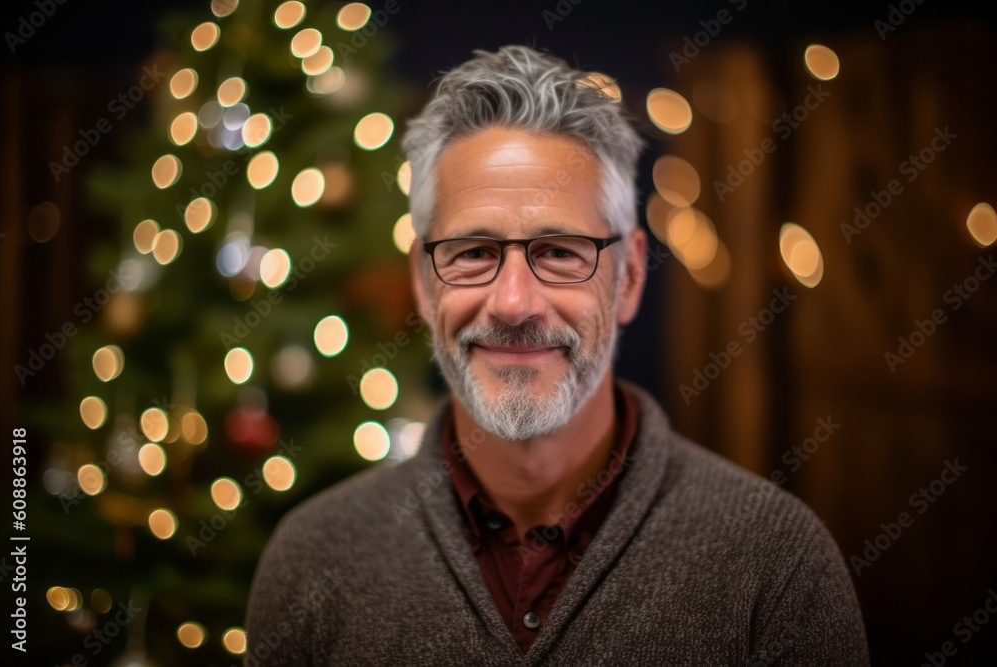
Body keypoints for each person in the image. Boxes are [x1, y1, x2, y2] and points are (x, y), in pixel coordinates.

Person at [245, 45, 870, 666]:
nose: (514, 304)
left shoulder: (777, 564)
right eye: (473, 252)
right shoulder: (312, 559)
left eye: (561, 252)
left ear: (628, 277)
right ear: (423, 282)